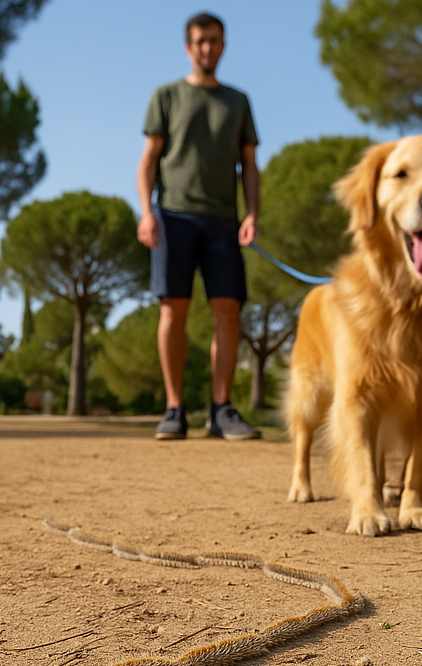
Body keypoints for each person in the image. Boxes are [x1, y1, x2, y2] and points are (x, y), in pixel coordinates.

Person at [136, 11, 262, 441]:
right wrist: (146, 212)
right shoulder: (166, 96)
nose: (207, 48)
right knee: (174, 308)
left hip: (223, 221)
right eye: (199, 41)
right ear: (188, 48)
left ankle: (222, 410)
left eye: (213, 40)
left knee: (228, 310)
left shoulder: (238, 101)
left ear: (223, 45)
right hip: (173, 216)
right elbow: (149, 160)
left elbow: (249, 164)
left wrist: (252, 215)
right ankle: (174, 409)